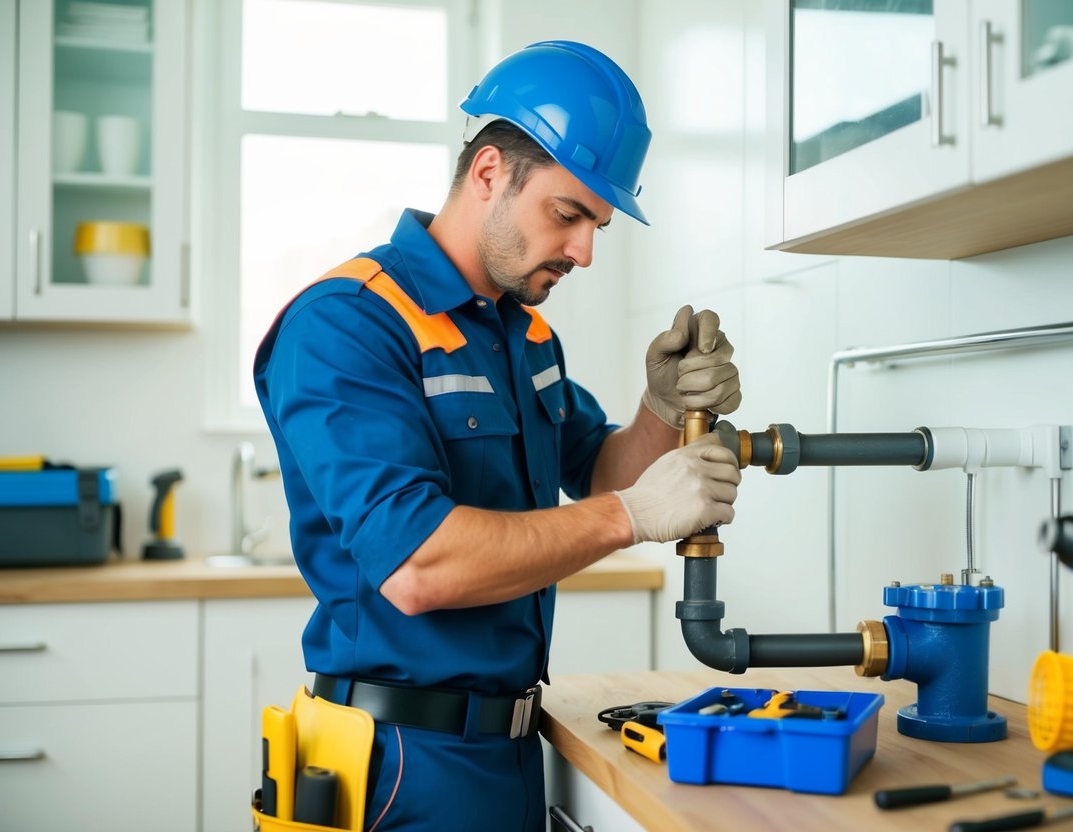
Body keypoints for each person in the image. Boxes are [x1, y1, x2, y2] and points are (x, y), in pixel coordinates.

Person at [254, 40, 742, 831]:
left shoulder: (522, 334)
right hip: (398, 764)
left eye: (597, 224)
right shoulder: (347, 322)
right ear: (488, 174)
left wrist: (656, 410)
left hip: (510, 752)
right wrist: (633, 517)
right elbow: (417, 566)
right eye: (567, 213)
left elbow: (597, 471)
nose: (583, 250)